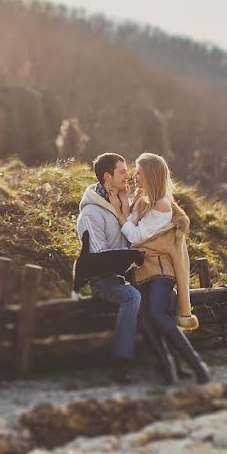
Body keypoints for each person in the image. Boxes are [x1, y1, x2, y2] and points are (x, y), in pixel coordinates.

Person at [109, 152, 211, 384]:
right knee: (144, 318)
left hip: (161, 271)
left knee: (156, 313)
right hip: (142, 269)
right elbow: (132, 229)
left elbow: (134, 235)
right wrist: (124, 203)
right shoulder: (142, 200)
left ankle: (197, 365)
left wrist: (118, 214)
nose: (135, 177)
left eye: (139, 173)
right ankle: (168, 370)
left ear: (151, 175)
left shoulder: (162, 206)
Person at [75, 153, 142, 383]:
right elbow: (99, 257)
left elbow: (132, 238)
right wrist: (132, 257)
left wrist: (124, 207)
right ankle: (120, 364)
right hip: (102, 280)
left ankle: (165, 357)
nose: (128, 175)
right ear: (107, 176)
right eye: (122, 171)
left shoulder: (116, 204)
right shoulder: (90, 214)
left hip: (122, 275)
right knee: (131, 297)